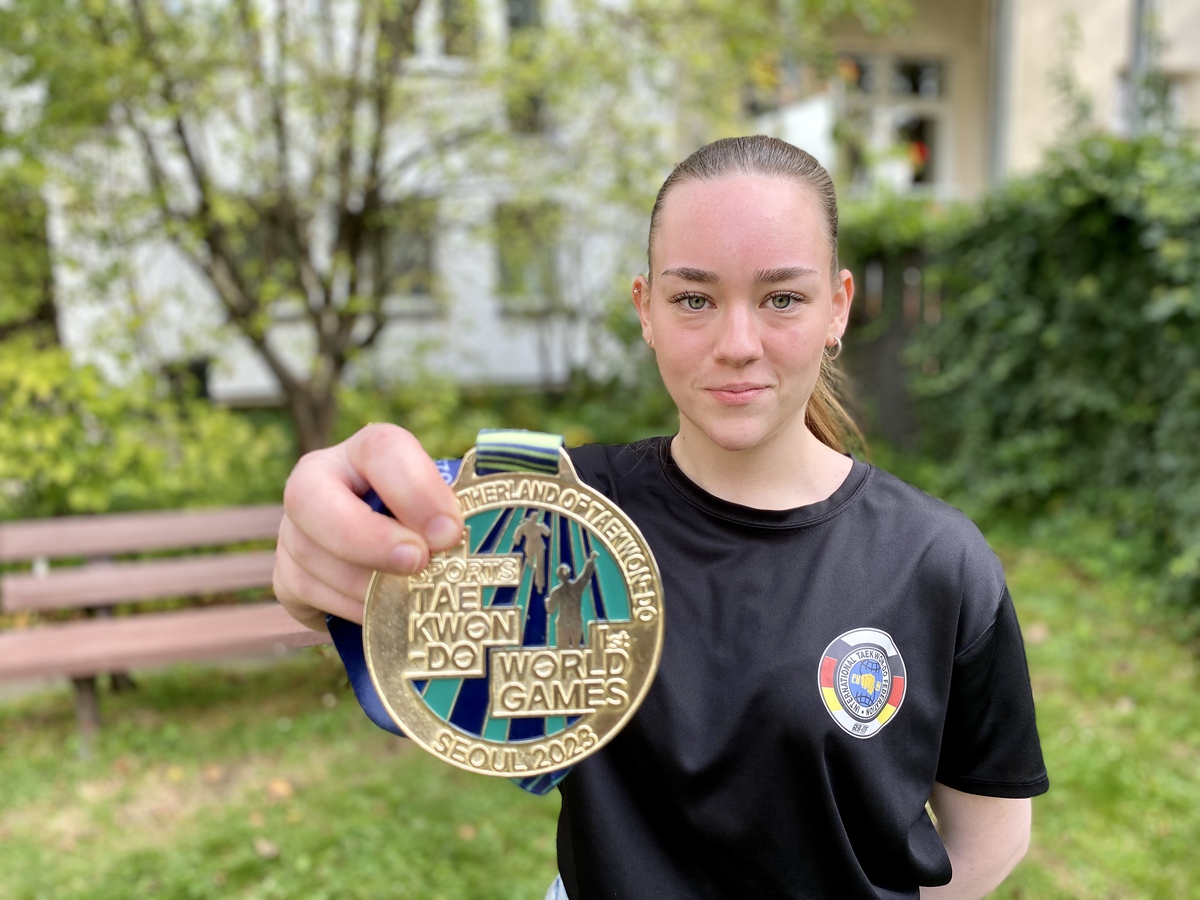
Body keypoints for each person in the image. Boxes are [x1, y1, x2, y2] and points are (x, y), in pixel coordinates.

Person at [273, 135, 1048, 899]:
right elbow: (382, 578)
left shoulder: (935, 561)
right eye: (693, 299)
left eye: (782, 298)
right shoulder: (558, 513)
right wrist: (323, 548)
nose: (737, 344)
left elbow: (991, 837)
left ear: (837, 308)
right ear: (646, 309)